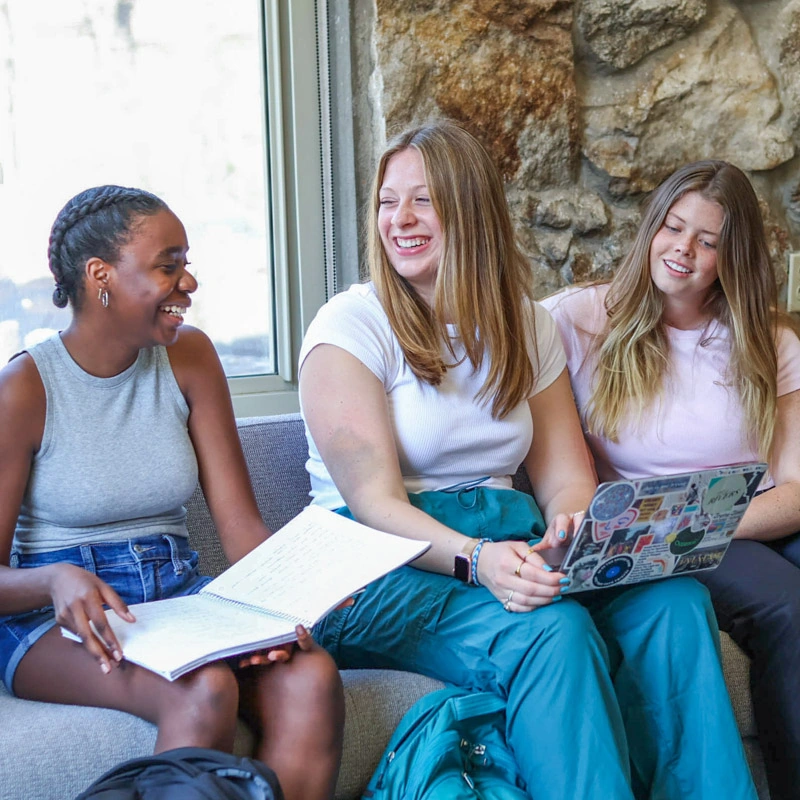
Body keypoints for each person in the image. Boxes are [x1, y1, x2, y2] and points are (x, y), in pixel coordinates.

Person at [298, 121, 757, 799]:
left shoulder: (524, 323)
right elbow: (375, 505)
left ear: (470, 209)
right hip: (376, 568)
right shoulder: (351, 325)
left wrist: (570, 537)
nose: (400, 219)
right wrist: (479, 560)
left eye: (423, 200)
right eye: (388, 201)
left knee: (675, 604)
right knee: (550, 631)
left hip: (504, 540)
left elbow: (565, 475)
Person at [0, 186, 344, 800]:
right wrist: (54, 579)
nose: (188, 282)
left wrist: (284, 604)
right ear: (100, 276)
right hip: (59, 623)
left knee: (311, 676)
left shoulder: (190, 358)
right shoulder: (25, 388)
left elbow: (240, 530)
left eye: (185, 263)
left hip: (182, 597)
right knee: (205, 686)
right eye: (168, 265)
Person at [541, 160, 800, 800]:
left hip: (753, 517)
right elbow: (487, 347)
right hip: (653, 538)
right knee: (789, 606)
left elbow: (796, 487)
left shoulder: (769, 340)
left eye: (707, 240)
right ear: (651, 227)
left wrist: (710, 520)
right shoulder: (579, 319)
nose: (682, 249)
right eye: (672, 227)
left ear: (731, 257)